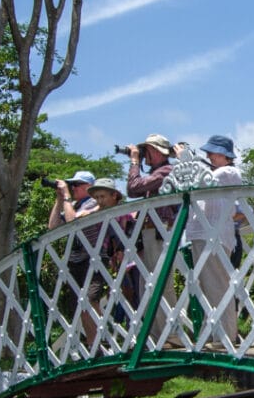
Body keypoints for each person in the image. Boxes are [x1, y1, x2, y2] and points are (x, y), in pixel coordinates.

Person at [185, 135, 242, 344]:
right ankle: (215, 333)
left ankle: (224, 335)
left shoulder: (228, 172)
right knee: (208, 287)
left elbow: (203, 180)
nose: (208, 155)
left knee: (217, 285)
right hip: (205, 234)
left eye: (213, 152)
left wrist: (187, 162)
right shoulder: (217, 171)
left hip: (214, 235)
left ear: (225, 156)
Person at [125, 133, 179, 340]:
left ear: (155, 151)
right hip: (150, 232)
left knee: (160, 284)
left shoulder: (166, 171)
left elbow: (133, 188)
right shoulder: (157, 172)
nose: (143, 155)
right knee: (148, 284)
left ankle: (167, 335)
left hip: (158, 232)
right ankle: (156, 335)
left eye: (146, 151)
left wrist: (134, 161)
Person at [84, 178, 138, 345]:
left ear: (114, 196)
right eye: (97, 197)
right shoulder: (99, 215)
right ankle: (118, 334)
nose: (100, 201)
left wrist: (125, 253)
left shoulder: (124, 213)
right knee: (118, 295)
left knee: (132, 294)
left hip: (130, 259)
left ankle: (132, 334)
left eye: (103, 196)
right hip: (112, 260)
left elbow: (131, 234)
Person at [47, 169, 98, 334]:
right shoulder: (74, 205)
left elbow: (72, 223)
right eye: (72, 185)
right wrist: (59, 199)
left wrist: (67, 195)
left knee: (90, 300)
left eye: (77, 184)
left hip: (92, 258)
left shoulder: (93, 202)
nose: (73, 188)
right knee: (80, 303)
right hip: (76, 260)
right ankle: (92, 344)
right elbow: (53, 226)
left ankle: (101, 339)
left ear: (89, 186)